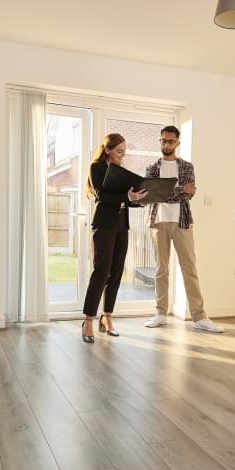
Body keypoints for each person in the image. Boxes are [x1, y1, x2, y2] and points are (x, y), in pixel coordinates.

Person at [143, 125, 223, 333]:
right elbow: (152, 196)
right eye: (162, 140)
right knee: (161, 270)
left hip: (182, 222)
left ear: (178, 142)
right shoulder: (152, 168)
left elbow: (189, 194)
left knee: (189, 269)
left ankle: (199, 317)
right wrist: (177, 190)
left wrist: (165, 191)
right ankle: (160, 313)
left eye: (170, 141)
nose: (165, 144)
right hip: (158, 222)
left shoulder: (187, 167)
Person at [81, 133, 148, 343]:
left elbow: (126, 200)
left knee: (117, 273)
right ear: (107, 149)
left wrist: (141, 198)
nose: (122, 155)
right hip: (104, 225)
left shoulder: (120, 172)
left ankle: (107, 317)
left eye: (124, 152)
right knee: (101, 272)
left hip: (121, 226)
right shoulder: (97, 168)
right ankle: (89, 320)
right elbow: (102, 196)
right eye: (119, 151)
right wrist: (127, 197)